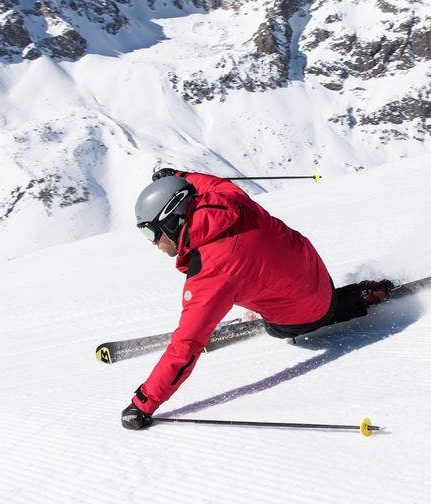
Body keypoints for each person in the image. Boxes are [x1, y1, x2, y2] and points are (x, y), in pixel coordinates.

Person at [121, 168, 393, 430]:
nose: (153, 243)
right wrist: (178, 176)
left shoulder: (211, 272)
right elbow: (206, 183)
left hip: (306, 312)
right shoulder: (229, 198)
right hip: (315, 269)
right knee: (256, 274)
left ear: (172, 221)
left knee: (277, 328)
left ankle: (345, 300)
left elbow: (187, 345)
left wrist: (143, 403)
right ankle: (338, 297)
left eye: (150, 232)